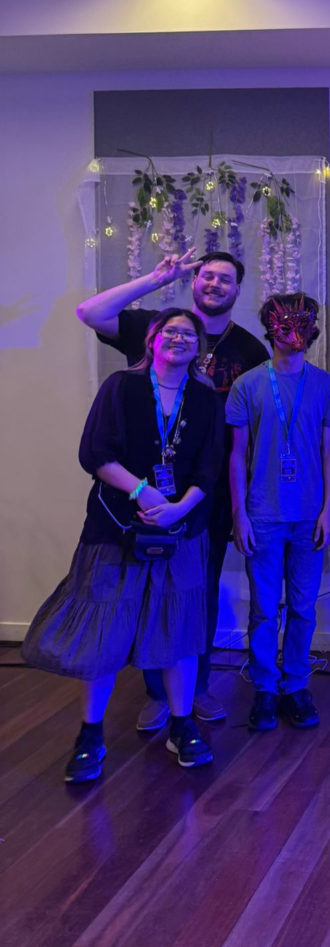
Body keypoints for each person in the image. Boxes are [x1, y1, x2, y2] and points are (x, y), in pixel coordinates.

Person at [22, 309, 223, 782]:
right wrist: (143, 491)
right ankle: (90, 736)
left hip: (181, 531)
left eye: (188, 334)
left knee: (178, 631)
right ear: (152, 341)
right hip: (116, 528)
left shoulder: (206, 398)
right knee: (102, 632)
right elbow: (94, 454)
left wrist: (178, 508)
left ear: (198, 348)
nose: (178, 339)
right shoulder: (121, 386)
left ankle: (182, 724)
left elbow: (209, 468)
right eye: (170, 332)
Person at [76, 248, 268, 729]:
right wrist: (155, 278)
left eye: (226, 279)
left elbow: (254, 428)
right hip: (136, 495)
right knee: (140, 590)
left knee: (193, 590)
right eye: (207, 276)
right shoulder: (157, 328)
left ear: (238, 291)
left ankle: (195, 688)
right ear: (194, 281)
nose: (215, 284)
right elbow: (90, 312)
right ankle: (158, 694)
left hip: (207, 489)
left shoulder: (250, 350)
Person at [227, 293, 330, 732]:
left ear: (313, 330)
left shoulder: (325, 385)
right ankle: (264, 687)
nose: (294, 333)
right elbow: (237, 455)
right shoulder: (248, 385)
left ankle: (296, 684)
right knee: (263, 607)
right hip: (262, 514)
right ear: (270, 327)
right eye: (285, 323)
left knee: (302, 607)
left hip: (309, 515)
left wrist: (328, 511)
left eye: (303, 323)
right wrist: (239, 513)